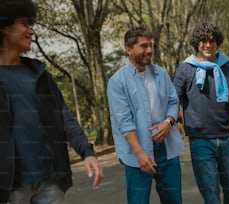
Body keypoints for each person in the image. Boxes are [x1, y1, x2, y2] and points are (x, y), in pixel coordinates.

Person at [0, 0, 103, 203]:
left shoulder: (40, 75)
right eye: (24, 24)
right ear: (3, 26)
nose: (31, 32)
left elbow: (64, 117)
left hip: (50, 184)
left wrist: (87, 152)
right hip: (10, 189)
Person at [107, 26, 184, 204]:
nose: (149, 50)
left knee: (174, 200)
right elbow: (124, 121)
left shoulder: (161, 74)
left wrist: (168, 123)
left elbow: (173, 102)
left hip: (166, 149)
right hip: (137, 152)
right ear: (128, 49)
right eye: (143, 46)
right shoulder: (117, 82)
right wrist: (139, 153)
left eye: (150, 45)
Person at [173, 23, 229, 204]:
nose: (208, 45)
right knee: (210, 191)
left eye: (212, 41)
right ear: (197, 43)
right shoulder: (185, 68)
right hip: (200, 139)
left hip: (227, 137)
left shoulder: (226, 65)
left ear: (217, 43)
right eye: (203, 41)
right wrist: (175, 121)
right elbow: (174, 97)